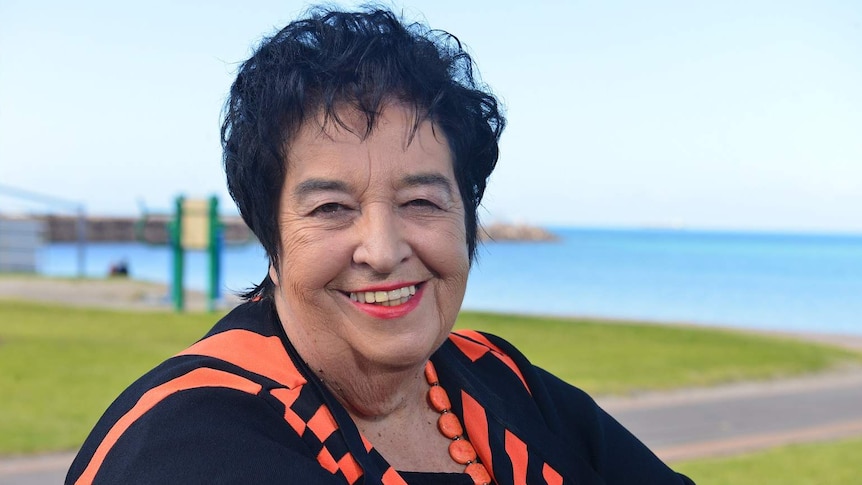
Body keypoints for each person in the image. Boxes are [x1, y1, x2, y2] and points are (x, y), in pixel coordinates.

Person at [67, 7, 694, 485]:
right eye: (332, 208)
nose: (382, 248)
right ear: (272, 233)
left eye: (421, 202)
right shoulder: (183, 447)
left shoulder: (498, 379)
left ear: (468, 218)